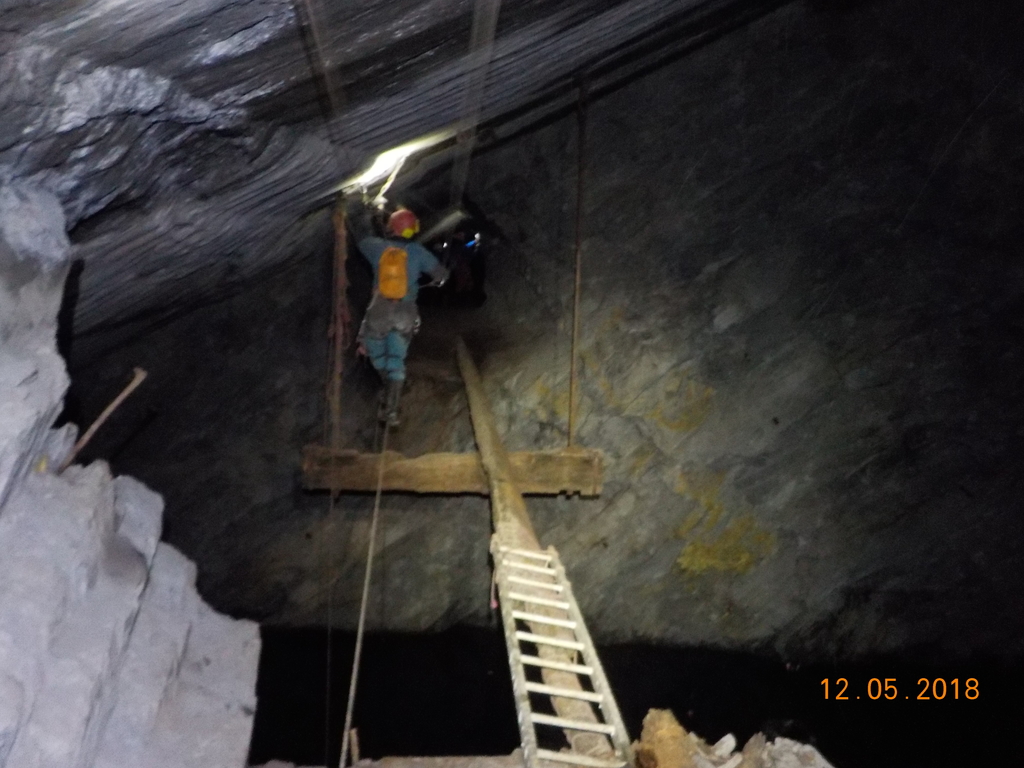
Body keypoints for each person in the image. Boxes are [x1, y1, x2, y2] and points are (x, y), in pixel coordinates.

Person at [352, 203, 448, 426]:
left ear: (391, 228)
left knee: (377, 358)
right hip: (405, 312)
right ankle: (392, 411)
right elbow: (441, 275)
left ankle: (387, 394)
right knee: (396, 361)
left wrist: (368, 216)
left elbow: (360, 239)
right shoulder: (418, 252)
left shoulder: (376, 247)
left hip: (379, 311)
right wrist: (436, 277)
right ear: (413, 230)